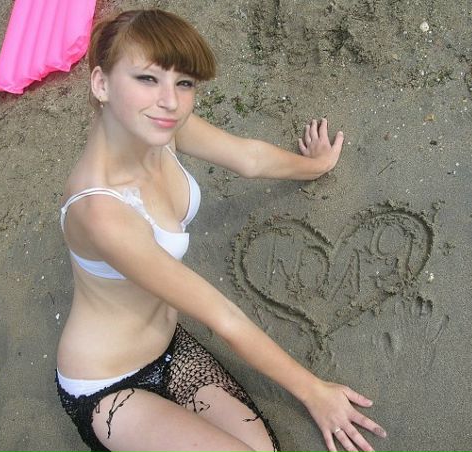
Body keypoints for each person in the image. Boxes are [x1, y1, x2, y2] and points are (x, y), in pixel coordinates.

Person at [55, 8, 386, 452]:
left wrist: (316, 165)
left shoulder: (158, 127)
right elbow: (223, 317)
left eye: (184, 82)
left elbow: (248, 158)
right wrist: (314, 392)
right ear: (101, 84)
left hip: (171, 347)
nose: (170, 100)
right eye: (147, 79)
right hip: (108, 387)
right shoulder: (101, 211)